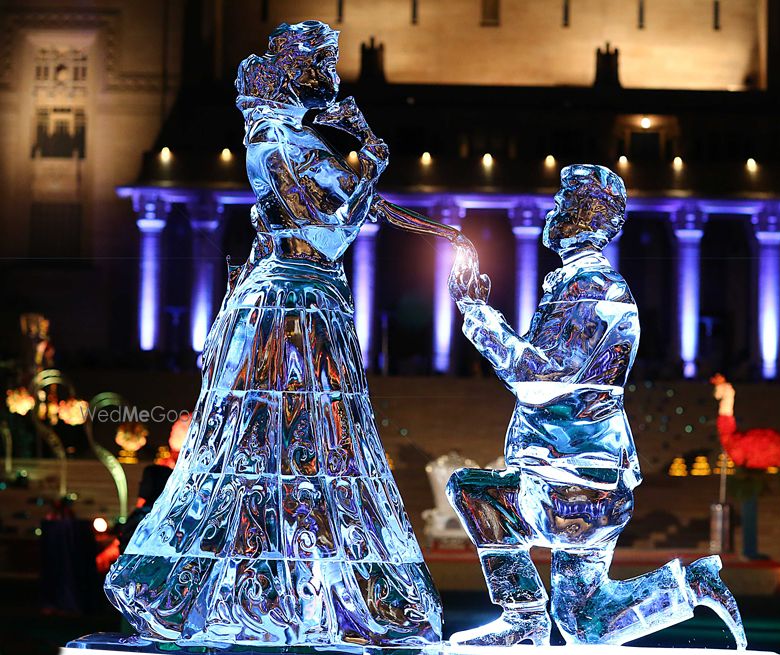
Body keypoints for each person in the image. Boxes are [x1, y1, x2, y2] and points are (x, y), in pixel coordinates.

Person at [104, 21, 450, 646]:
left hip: (314, 303)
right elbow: (329, 233)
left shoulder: (305, 141)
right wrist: (368, 166)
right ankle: (240, 598)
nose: (333, 80)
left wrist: (442, 231)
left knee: (317, 453)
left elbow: (369, 208)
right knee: (268, 449)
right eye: (323, 67)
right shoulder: (272, 142)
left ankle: (308, 599)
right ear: (294, 71)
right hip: (288, 307)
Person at [447, 164, 746, 648]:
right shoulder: (580, 283)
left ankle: (524, 623)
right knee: (585, 623)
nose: (553, 213)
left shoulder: (590, 286)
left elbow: (539, 378)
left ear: (586, 217)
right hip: (587, 475)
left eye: (563, 205)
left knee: (477, 494)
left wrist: (478, 315)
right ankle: (687, 587)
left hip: (572, 476)